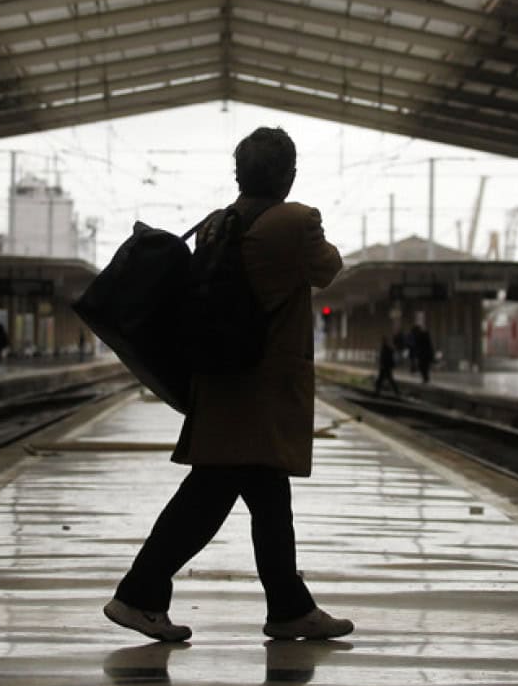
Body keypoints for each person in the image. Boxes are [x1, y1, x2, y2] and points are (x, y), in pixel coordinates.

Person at [105, 126, 353, 644]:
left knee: (263, 494)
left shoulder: (218, 224)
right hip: (260, 386)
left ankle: (288, 607)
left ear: (240, 173)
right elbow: (328, 268)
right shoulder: (296, 221)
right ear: (288, 174)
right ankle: (138, 593)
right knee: (211, 496)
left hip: (221, 380)